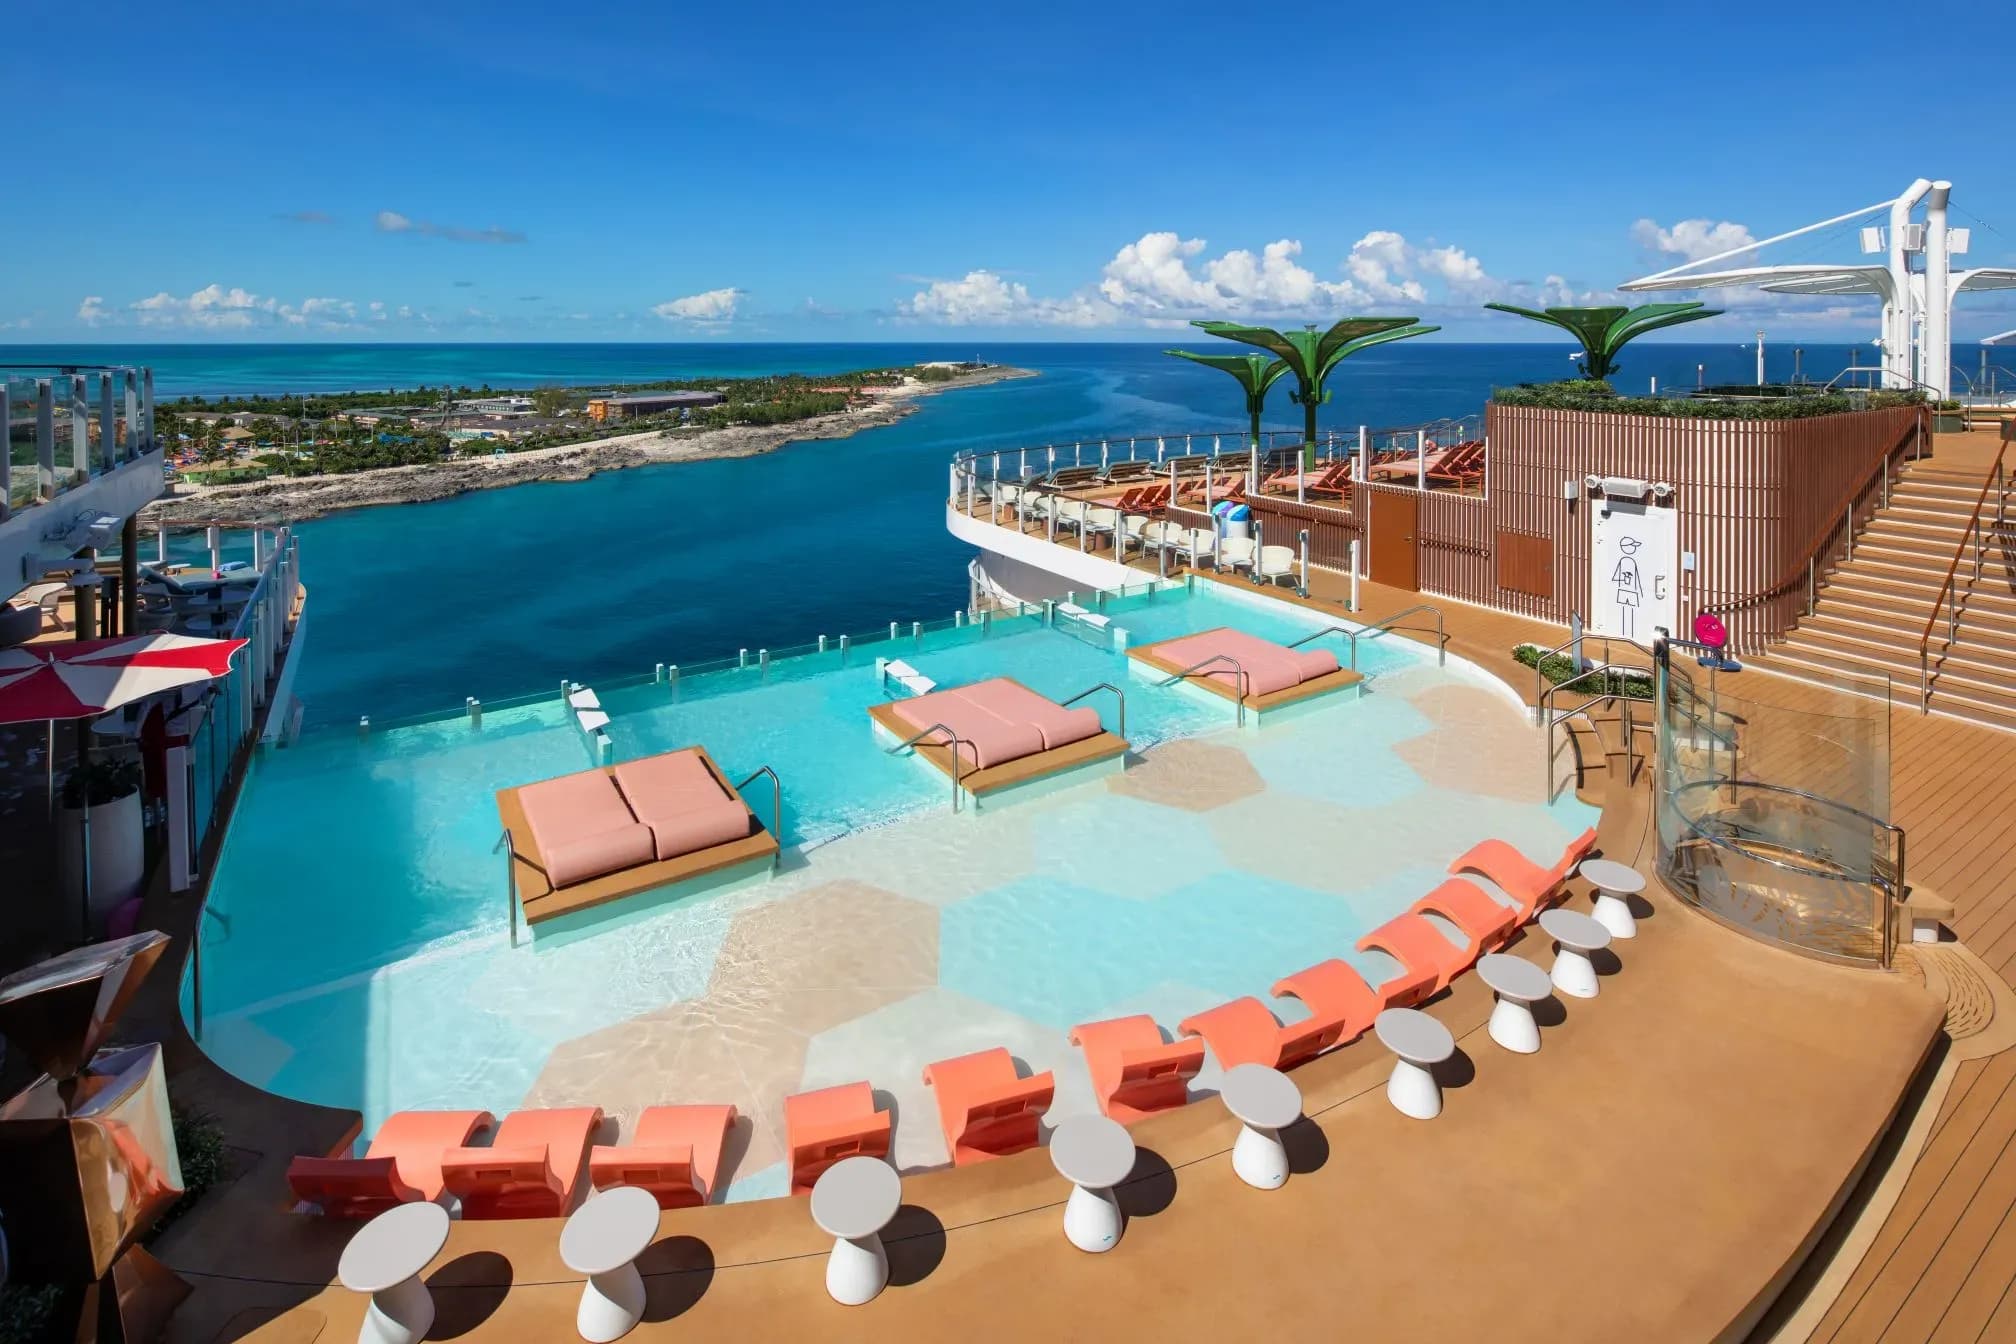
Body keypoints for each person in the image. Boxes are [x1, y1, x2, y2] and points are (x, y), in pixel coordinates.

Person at [1612, 535, 1644, 638]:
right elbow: (1616, 577)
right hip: (1624, 591)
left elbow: (1637, 578)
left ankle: (1630, 635)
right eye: (1632, 546)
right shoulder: (1623, 561)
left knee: (1631, 612)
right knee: (1625, 611)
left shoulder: (1632, 562)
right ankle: (1626, 634)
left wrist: (1640, 591)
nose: (1634, 548)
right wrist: (1625, 578)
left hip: (1632, 591)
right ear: (1625, 547)